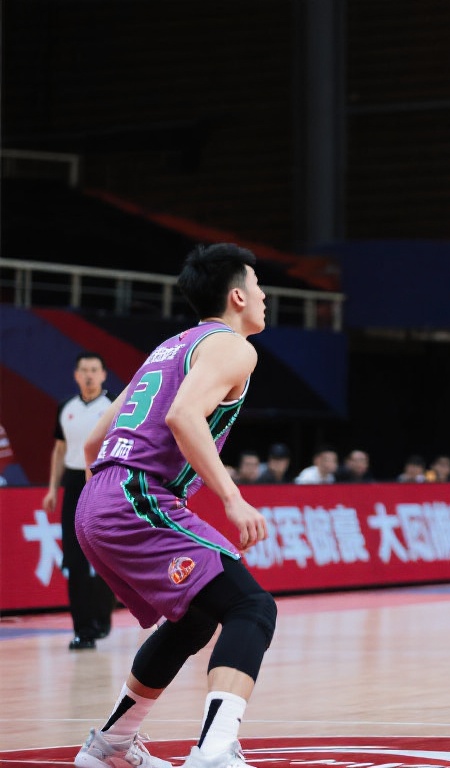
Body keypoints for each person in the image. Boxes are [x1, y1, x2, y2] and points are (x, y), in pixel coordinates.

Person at [72, 243, 275, 768]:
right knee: (251, 607)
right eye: (257, 285)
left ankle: (110, 745)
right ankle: (215, 750)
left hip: (99, 500)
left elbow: (93, 443)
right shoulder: (233, 346)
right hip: (135, 495)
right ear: (237, 296)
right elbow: (183, 416)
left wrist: (106, 500)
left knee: (195, 619)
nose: (264, 295)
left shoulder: (168, 348)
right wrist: (232, 498)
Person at [42, 352, 117, 651]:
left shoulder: (113, 406)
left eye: (94, 370)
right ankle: (83, 631)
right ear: (76, 375)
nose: (89, 375)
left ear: (103, 375)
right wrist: (52, 489)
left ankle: (102, 617)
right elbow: (60, 450)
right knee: (74, 561)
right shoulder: (66, 408)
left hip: (103, 481)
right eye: (84, 370)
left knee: (105, 556)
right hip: (73, 484)